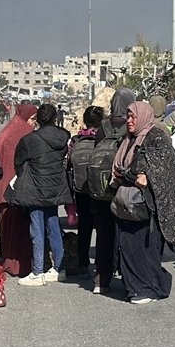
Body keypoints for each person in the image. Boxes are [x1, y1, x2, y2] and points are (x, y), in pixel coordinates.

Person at [112, 102, 175, 304]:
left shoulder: (156, 136)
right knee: (127, 246)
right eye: (128, 116)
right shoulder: (128, 139)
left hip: (146, 205)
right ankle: (133, 286)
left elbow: (171, 164)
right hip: (126, 203)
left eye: (133, 117)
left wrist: (149, 176)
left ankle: (149, 288)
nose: (129, 120)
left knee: (144, 247)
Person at [11, 104, 73, 286]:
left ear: (38, 119)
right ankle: (59, 269)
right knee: (53, 225)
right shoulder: (64, 137)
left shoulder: (29, 140)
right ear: (55, 118)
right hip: (54, 188)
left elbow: (18, 162)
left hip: (35, 188)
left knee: (36, 229)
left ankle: (37, 271)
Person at [91, 88, 135, 294]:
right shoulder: (131, 126)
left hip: (101, 192)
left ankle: (101, 280)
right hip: (123, 188)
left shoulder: (103, 127)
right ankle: (129, 282)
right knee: (126, 236)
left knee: (104, 236)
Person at [0, 104, 38, 278]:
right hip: (13, 191)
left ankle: (8, 260)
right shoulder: (20, 133)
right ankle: (17, 265)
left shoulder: (8, 130)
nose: (33, 124)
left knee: (8, 230)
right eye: (32, 119)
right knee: (18, 230)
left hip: (2, 188)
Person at [68, 106, 103, 280]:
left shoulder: (76, 140)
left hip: (81, 190)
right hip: (100, 189)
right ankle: (102, 264)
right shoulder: (103, 138)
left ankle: (83, 264)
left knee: (84, 227)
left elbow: (68, 165)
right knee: (103, 227)